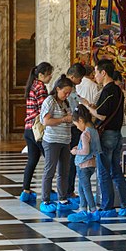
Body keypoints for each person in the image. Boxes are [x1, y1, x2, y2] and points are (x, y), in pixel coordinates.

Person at [85, 60, 126, 217]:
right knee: (116, 170)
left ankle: (107, 207)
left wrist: (87, 107)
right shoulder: (119, 90)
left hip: (107, 136)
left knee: (104, 172)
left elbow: (101, 114)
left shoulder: (108, 90)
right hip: (117, 134)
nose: (95, 76)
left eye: (96, 72)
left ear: (103, 73)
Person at [38, 75, 75, 213]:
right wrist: (64, 119)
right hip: (52, 140)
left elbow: (69, 119)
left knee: (64, 171)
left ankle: (62, 198)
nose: (67, 95)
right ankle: (46, 199)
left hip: (65, 140)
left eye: (69, 93)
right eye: (65, 92)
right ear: (57, 89)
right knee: (50, 170)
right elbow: (46, 121)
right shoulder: (50, 101)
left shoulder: (65, 103)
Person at [20, 62, 53, 202]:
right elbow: (44, 109)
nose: (51, 76)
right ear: (41, 75)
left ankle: (25, 190)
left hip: (29, 128)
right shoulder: (40, 87)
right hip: (38, 129)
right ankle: (49, 190)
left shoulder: (32, 85)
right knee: (50, 160)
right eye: (49, 74)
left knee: (32, 160)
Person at [67, 105, 101, 223]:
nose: (77, 127)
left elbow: (85, 151)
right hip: (91, 164)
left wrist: (76, 151)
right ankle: (83, 209)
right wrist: (80, 146)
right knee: (81, 189)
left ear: (81, 120)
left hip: (83, 164)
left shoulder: (85, 133)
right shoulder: (94, 130)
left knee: (86, 189)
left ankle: (92, 211)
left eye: (76, 125)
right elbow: (92, 148)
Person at [66, 63, 88, 202]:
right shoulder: (67, 89)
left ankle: (68, 189)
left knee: (71, 160)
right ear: (73, 76)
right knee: (71, 160)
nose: (80, 82)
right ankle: (68, 190)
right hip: (71, 127)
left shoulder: (71, 87)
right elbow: (73, 107)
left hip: (72, 127)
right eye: (79, 79)